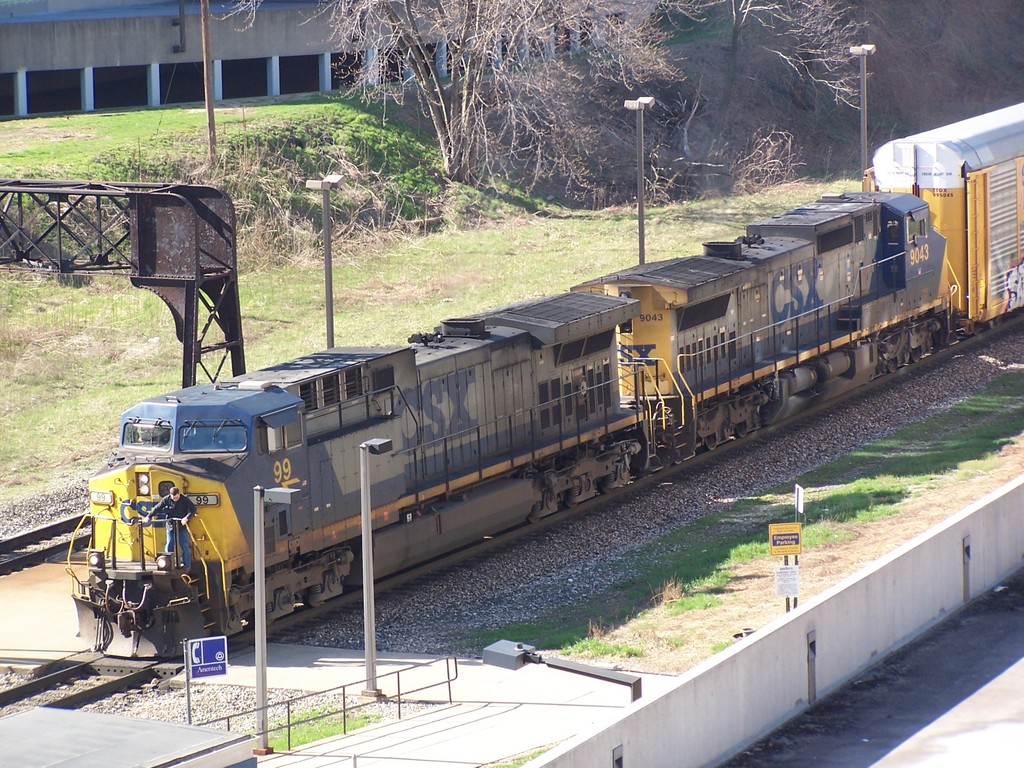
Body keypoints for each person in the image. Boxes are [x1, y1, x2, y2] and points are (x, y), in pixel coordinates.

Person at [142, 486, 196, 569]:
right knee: (169, 544)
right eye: (173, 497)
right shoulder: (166, 499)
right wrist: (148, 516)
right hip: (170, 525)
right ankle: (168, 565)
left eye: (176, 496)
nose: (175, 498)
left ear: (179, 494)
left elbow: (193, 509)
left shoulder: (185, 499)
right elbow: (157, 508)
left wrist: (186, 518)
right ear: (170, 495)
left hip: (182, 526)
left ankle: (187, 566)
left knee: (185, 546)